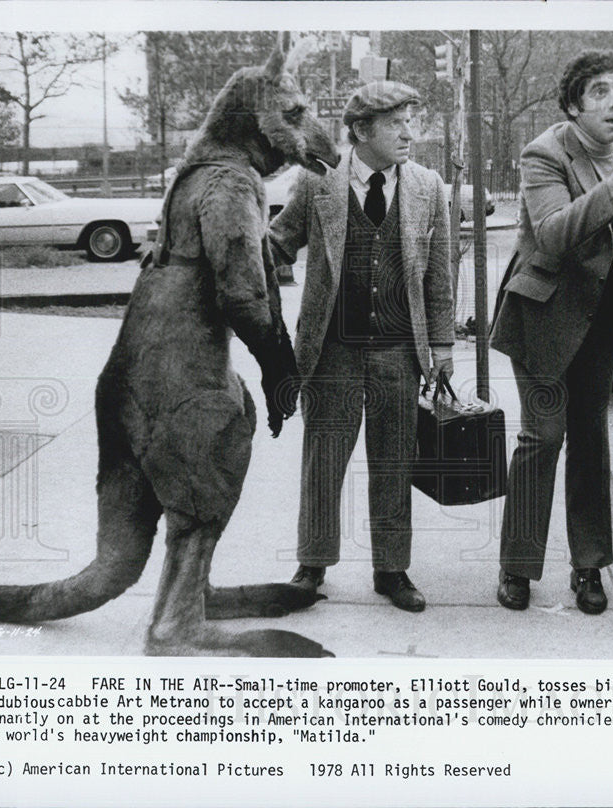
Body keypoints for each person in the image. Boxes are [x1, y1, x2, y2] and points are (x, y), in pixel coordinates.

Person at [268, 81, 454, 612]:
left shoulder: (426, 186)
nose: (408, 134)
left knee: (394, 460)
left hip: (399, 350)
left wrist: (441, 348)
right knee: (324, 458)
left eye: (410, 122)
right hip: (333, 351)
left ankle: (392, 570)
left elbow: (439, 279)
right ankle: (311, 565)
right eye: (396, 124)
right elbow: (279, 240)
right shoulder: (318, 182)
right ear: (361, 132)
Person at [490, 51, 613, 614]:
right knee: (544, 436)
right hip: (542, 313)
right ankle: (517, 565)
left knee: (591, 439)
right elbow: (555, 233)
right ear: (573, 105)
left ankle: (589, 567)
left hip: (597, 313)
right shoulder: (545, 152)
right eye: (600, 93)